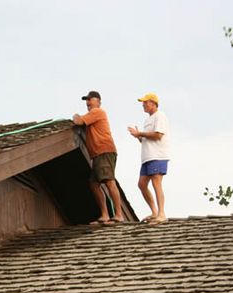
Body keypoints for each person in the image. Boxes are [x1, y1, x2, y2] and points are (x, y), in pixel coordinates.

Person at [72, 91, 124, 225]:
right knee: (94, 183)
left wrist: (76, 116)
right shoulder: (92, 115)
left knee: (108, 181)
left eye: (90, 100)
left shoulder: (97, 112)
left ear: (98, 101)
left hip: (104, 150)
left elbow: (78, 121)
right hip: (97, 154)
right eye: (86, 101)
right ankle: (105, 215)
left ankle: (119, 214)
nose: (87, 103)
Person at [127, 93, 170, 224]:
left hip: (158, 155)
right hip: (147, 157)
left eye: (145, 102)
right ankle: (154, 212)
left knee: (156, 183)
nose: (143, 105)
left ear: (153, 103)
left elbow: (158, 135)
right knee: (142, 184)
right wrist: (139, 137)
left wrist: (140, 133)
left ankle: (161, 214)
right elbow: (146, 140)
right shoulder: (147, 120)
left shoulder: (160, 116)